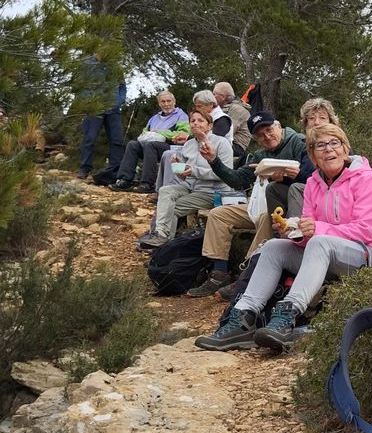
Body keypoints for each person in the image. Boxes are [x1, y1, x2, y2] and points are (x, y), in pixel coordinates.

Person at [194, 123, 372, 352]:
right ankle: (243, 317)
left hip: (368, 255)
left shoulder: (365, 178)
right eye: (321, 146)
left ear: (345, 148)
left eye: (334, 143)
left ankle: (286, 317)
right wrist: (295, 233)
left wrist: (317, 229)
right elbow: (310, 236)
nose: (329, 150)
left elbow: (366, 230)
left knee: (320, 241)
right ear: (312, 156)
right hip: (326, 253)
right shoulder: (313, 184)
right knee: (274, 246)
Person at [184, 111, 309, 297]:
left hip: (292, 208)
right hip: (260, 204)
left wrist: (287, 177)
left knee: (270, 216)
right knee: (219, 214)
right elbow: (237, 180)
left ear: (278, 126)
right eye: (260, 135)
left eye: (269, 130)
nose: (266, 136)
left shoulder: (300, 143)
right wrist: (213, 160)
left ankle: (248, 275)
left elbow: (312, 178)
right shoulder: (260, 156)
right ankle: (219, 274)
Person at [137, 110, 233, 248]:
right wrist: (178, 166)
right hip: (190, 187)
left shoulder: (221, 143)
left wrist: (194, 170)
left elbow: (225, 174)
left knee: (172, 208)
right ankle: (161, 237)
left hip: (212, 192)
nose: (195, 123)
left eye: (200, 121)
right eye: (192, 121)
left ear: (210, 125)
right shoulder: (188, 145)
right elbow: (184, 175)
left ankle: (163, 243)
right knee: (165, 190)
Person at [110, 91, 190, 193]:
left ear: (174, 102)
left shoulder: (181, 116)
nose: (166, 104)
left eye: (169, 101)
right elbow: (145, 131)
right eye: (163, 102)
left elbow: (183, 133)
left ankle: (147, 183)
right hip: (151, 145)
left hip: (170, 147)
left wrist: (161, 133)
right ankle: (124, 180)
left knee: (150, 145)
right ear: (159, 103)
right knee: (132, 145)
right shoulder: (154, 118)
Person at [77, 55, 126, 180]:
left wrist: (119, 101)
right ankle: (84, 168)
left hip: (113, 109)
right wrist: (89, 102)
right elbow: (81, 86)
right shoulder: (87, 64)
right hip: (95, 108)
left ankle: (116, 169)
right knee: (90, 138)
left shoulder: (115, 66)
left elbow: (122, 86)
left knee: (117, 140)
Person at [212, 82, 252, 158]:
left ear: (223, 97)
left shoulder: (237, 110)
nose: (212, 97)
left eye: (214, 94)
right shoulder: (221, 109)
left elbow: (225, 131)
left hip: (236, 146)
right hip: (224, 142)